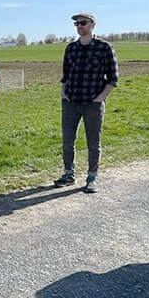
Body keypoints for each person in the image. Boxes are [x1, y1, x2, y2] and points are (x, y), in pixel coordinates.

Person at [56, 11, 117, 193]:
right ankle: (68, 174)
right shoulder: (71, 48)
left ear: (92, 24)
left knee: (93, 142)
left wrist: (100, 99)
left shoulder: (104, 47)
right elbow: (65, 75)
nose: (79, 26)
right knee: (68, 141)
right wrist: (63, 93)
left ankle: (91, 178)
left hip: (93, 104)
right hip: (71, 103)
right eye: (77, 24)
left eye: (83, 23)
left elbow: (113, 78)